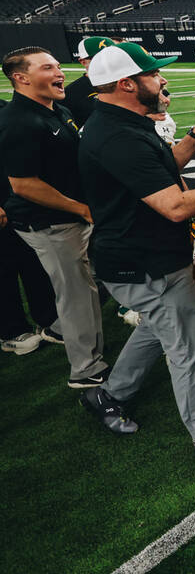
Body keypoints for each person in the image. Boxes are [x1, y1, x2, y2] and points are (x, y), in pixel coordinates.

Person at [75, 41, 195, 452]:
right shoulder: (118, 135)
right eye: (152, 74)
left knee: (158, 330)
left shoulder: (122, 122)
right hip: (144, 261)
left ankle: (110, 394)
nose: (161, 80)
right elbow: (175, 206)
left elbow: (157, 173)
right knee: (190, 347)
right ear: (126, 83)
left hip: (138, 256)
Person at [0, 46, 107, 388]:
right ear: (22, 78)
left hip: (72, 215)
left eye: (59, 66)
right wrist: (81, 208)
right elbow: (25, 185)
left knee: (89, 285)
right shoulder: (19, 121)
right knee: (78, 295)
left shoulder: (55, 109)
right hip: (50, 222)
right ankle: (86, 371)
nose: (60, 72)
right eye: (48, 67)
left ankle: (58, 329)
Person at [0, 98, 57, 355]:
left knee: (33, 261)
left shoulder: (3, 109)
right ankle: (11, 331)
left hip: (18, 201)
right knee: (4, 270)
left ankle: (48, 318)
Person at [61, 36, 113, 126]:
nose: (108, 61)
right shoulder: (69, 94)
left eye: (111, 56)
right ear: (83, 62)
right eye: (99, 58)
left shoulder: (127, 83)